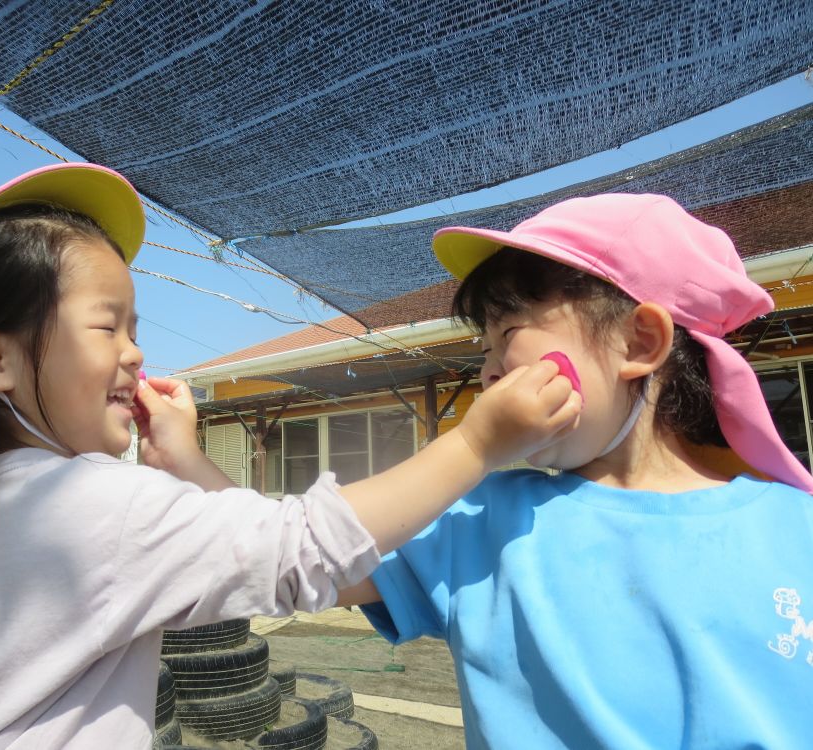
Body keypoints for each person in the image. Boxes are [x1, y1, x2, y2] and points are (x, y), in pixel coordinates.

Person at [0, 163, 579, 749]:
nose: (136, 354)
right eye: (108, 327)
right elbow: (301, 551)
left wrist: (184, 458)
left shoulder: (15, 498)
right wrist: (479, 442)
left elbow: (231, 541)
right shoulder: (83, 503)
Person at [329, 193, 813, 748]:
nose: (487, 372)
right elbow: (299, 559)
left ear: (641, 340)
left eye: (508, 335)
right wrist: (199, 463)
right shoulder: (479, 519)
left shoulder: (798, 529)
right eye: (482, 347)